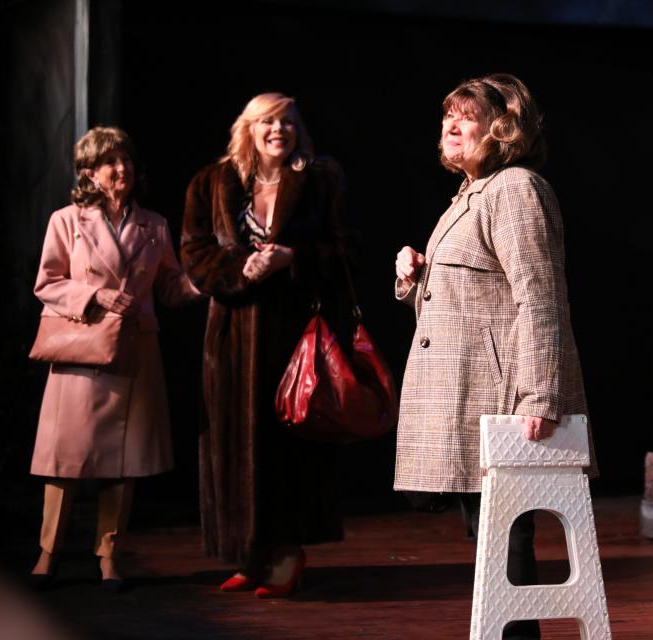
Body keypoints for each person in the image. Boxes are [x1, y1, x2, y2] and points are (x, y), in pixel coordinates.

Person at [393, 74, 597, 640]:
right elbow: (472, 299)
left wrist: (542, 395)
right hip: (471, 396)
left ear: (503, 128)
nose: (450, 126)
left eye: (466, 117)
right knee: (490, 539)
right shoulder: (471, 194)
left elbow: (540, 297)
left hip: (503, 398)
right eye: (446, 117)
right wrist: (416, 278)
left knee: (506, 538)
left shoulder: (515, 188)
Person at [181, 93, 345, 597]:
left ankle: (288, 554)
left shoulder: (319, 179)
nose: (279, 130)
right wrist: (240, 270)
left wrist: (291, 259)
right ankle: (249, 553)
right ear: (249, 129)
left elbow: (345, 249)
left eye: (288, 121)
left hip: (292, 336)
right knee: (233, 443)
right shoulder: (212, 181)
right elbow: (193, 252)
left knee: (288, 446)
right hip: (230, 338)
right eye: (268, 122)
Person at [30, 126, 201, 590]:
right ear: (89, 173)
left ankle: (109, 555)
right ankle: (49, 552)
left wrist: (208, 277)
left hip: (135, 352)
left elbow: (170, 287)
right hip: (81, 351)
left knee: (122, 465)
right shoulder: (66, 221)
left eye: (125, 159)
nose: (121, 169)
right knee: (64, 462)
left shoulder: (155, 226)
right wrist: (97, 296)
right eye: (110, 162)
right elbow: (46, 283)